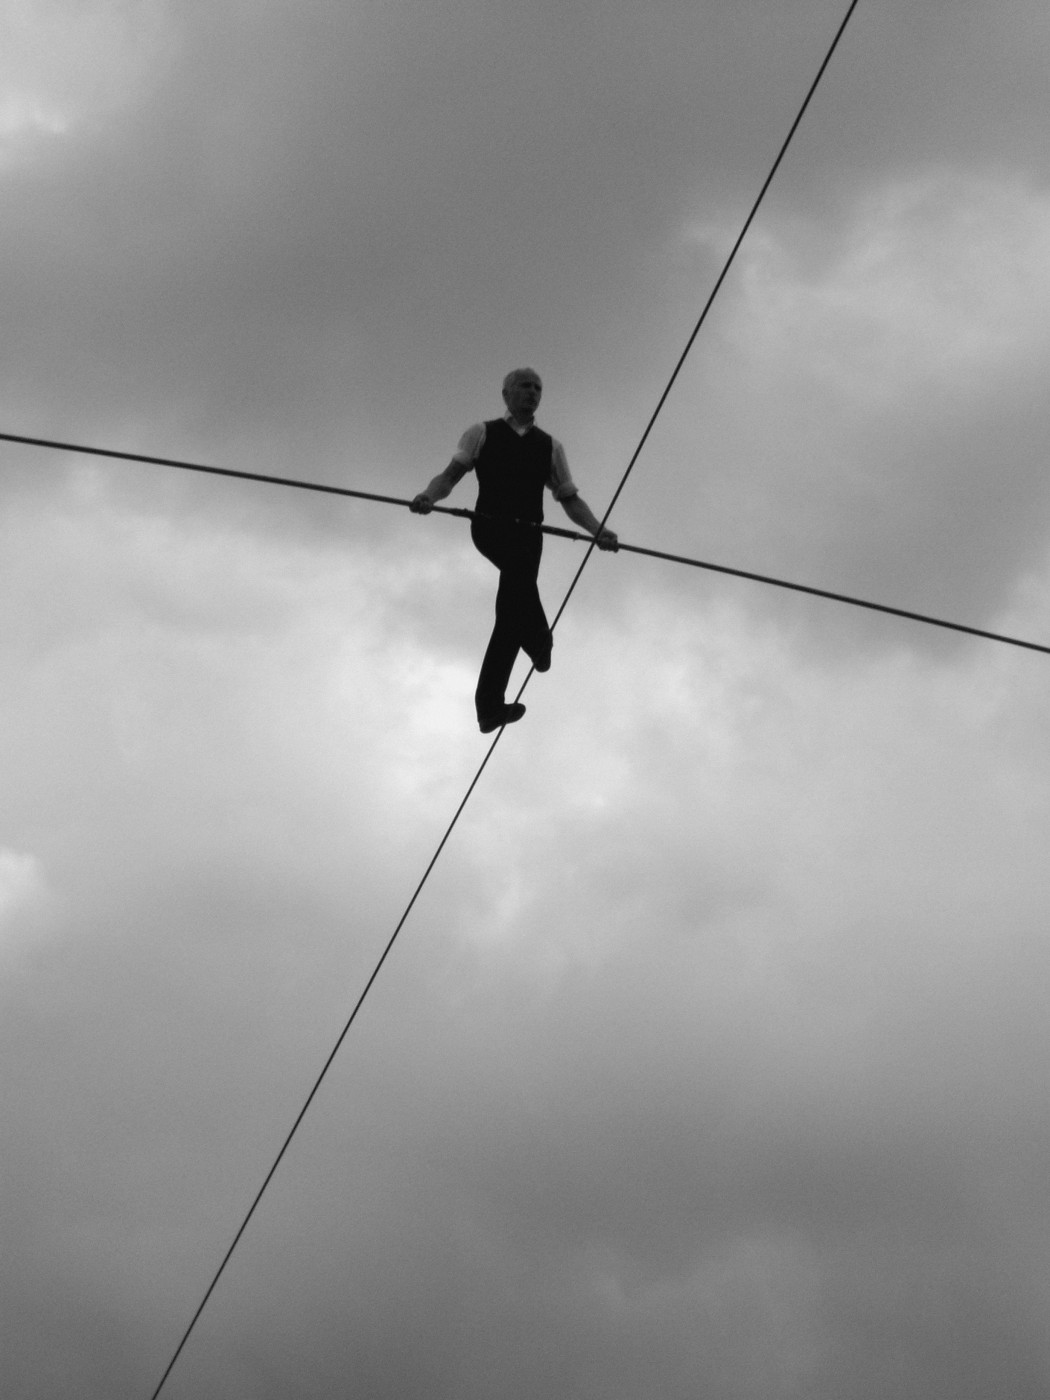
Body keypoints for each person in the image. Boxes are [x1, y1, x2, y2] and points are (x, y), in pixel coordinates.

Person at [411, 368, 618, 733]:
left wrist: (598, 530)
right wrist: (429, 496)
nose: (533, 393)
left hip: (528, 536)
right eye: (525, 386)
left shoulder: (550, 446)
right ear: (506, 394)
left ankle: (490, 708)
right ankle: (537, 636)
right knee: (519, 587)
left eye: (538, 388)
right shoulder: (483, 432)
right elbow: (449, 477)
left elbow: (569, 500)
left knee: (509, 613)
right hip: (490, 528)